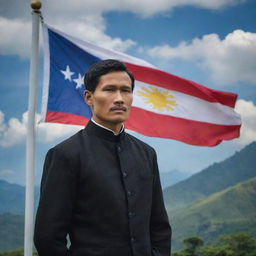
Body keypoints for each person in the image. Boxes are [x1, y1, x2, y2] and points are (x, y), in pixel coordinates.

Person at [34, 59, 172, 256]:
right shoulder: (66, 154)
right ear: (89, 97)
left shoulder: (146, 153)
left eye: (126, 90)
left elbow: (159, 227)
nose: (119, 98)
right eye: (109, 90)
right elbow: (47, 238)